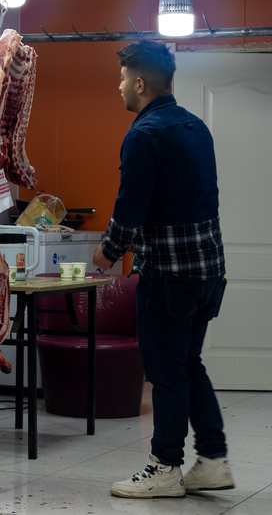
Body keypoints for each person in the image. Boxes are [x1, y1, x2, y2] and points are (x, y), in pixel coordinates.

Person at [93, 39, 233, 499]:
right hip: (208, 272)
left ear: (140, 83)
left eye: (121, 79)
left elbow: (130, 208)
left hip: (169, 276)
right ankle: (213, 460)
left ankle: (165, 467)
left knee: (166, 372)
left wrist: (107, 253)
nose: (118, 87)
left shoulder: (144, 134)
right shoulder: (196, 126)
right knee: (188, 363)